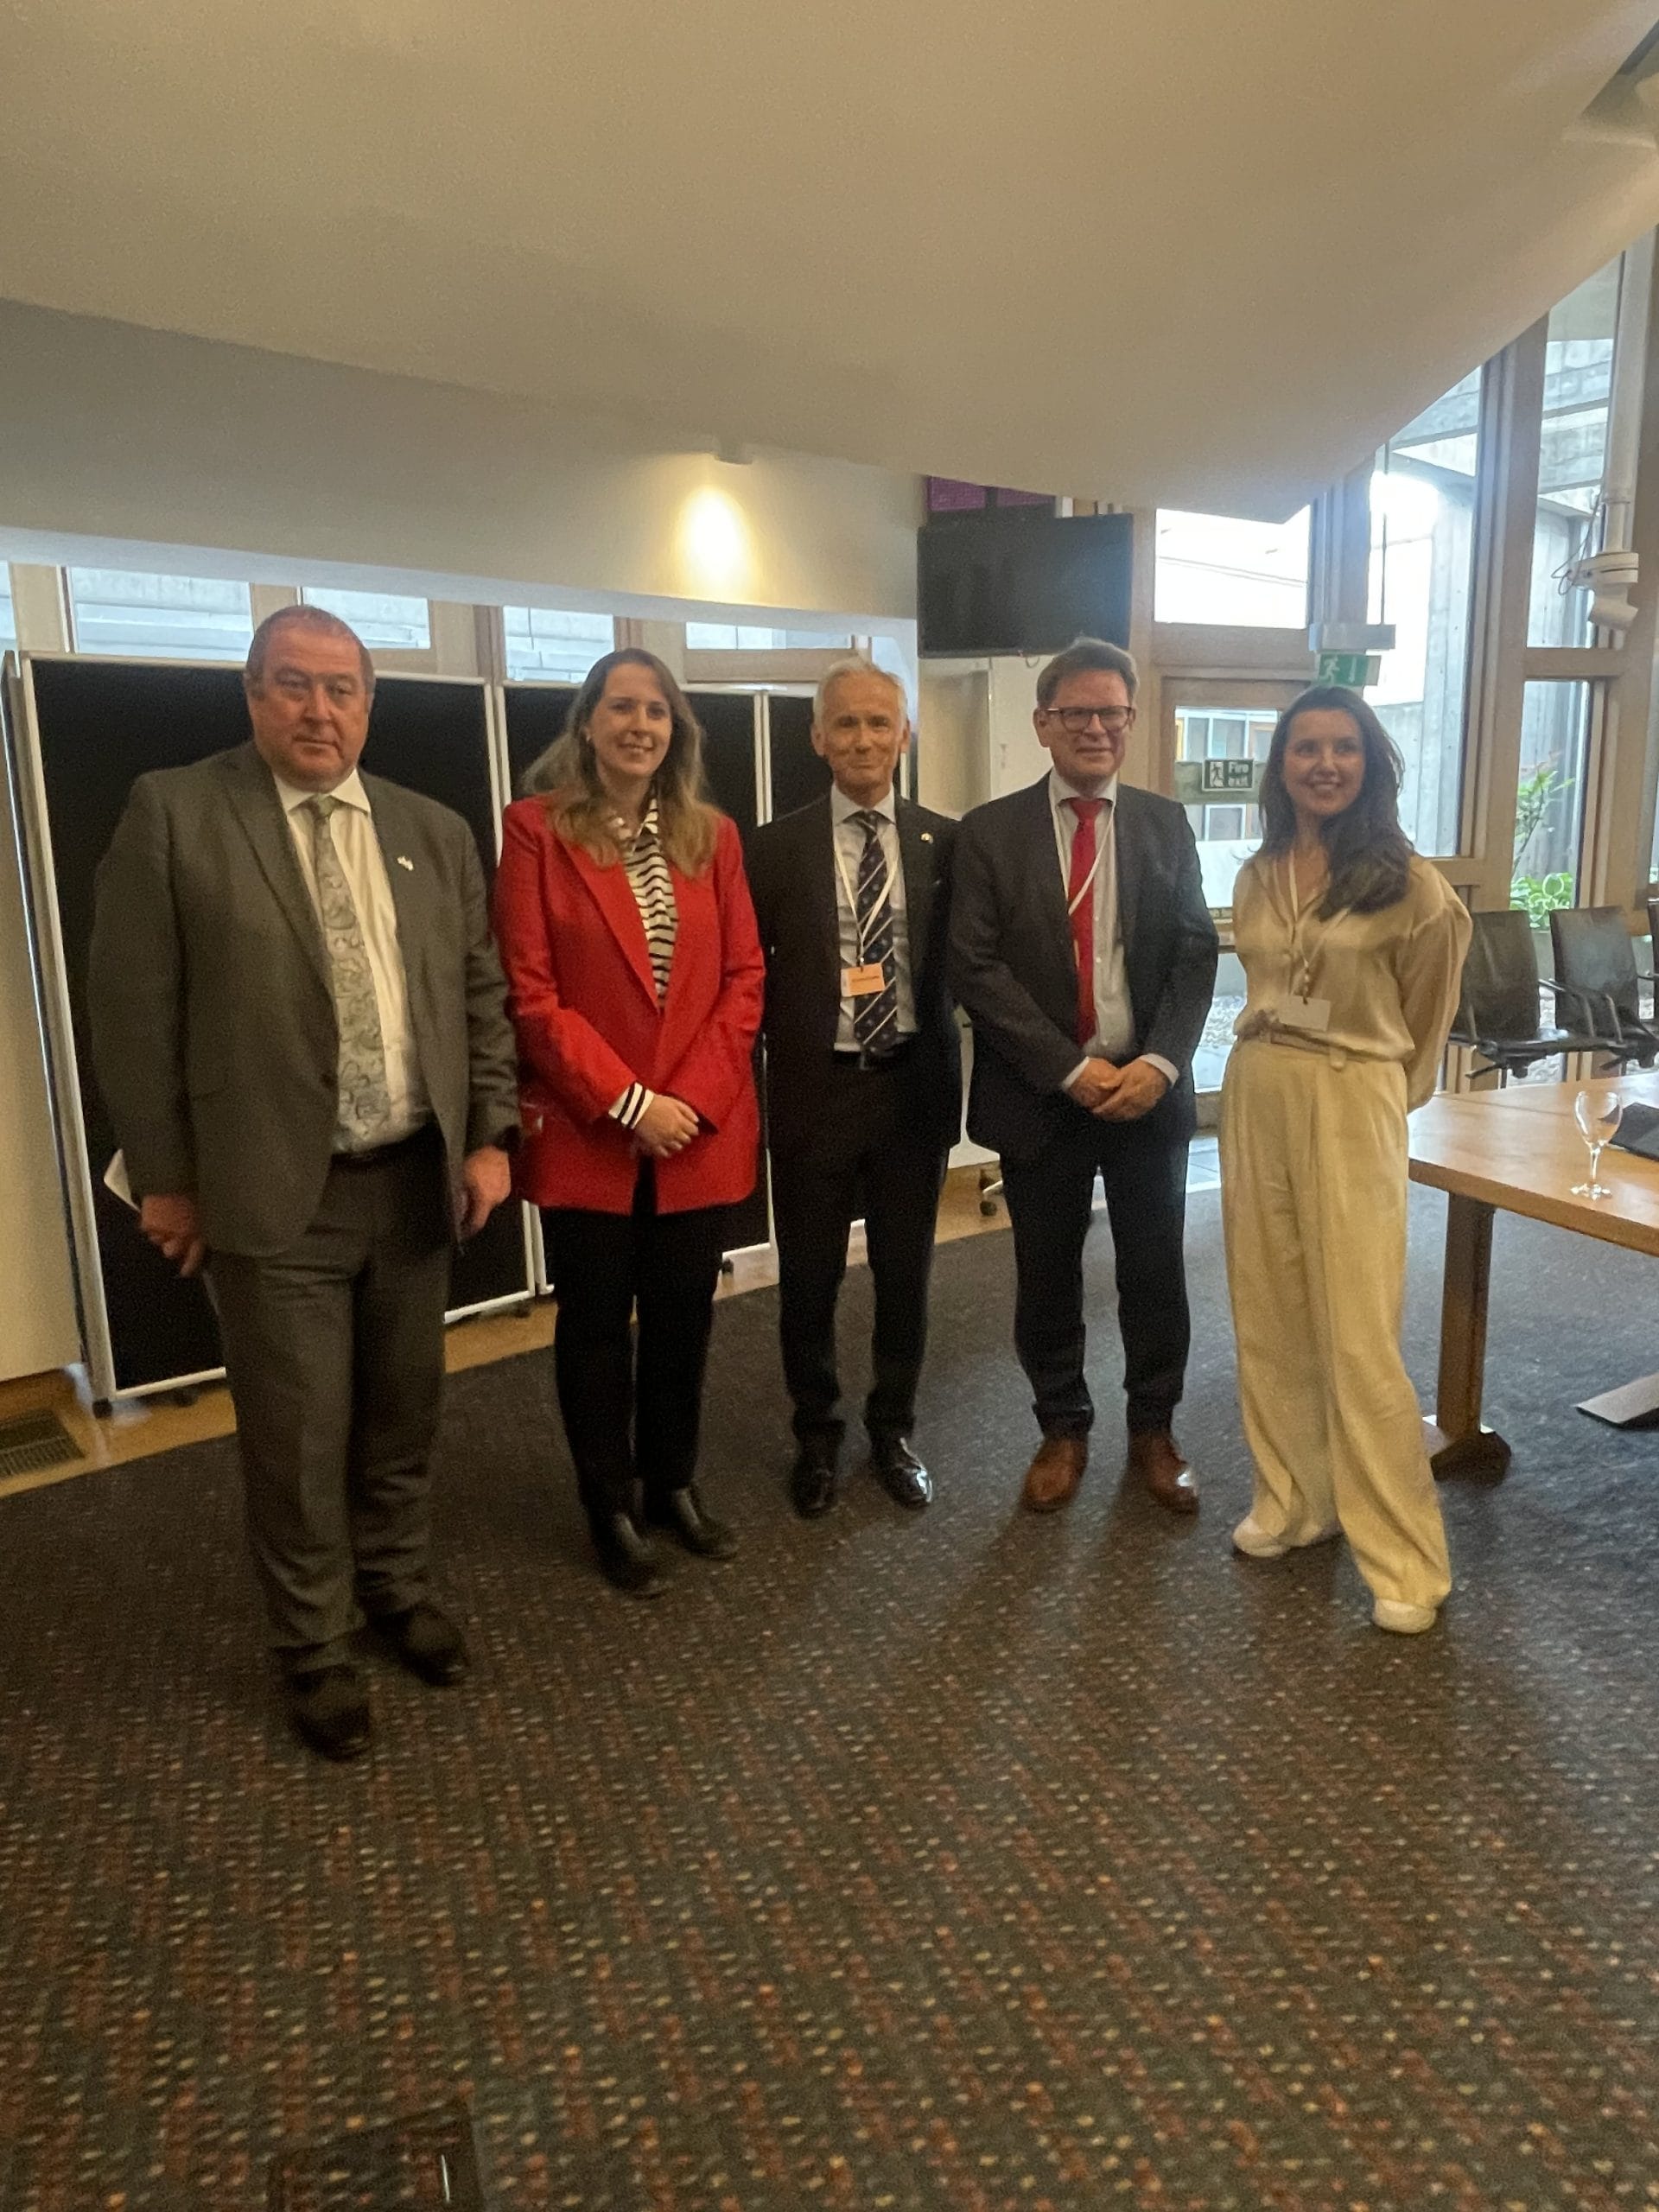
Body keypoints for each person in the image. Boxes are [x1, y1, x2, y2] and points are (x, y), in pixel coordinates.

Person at [88, 607, 520, 1761]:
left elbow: (478, 997)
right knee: (296, 1435)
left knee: (403, 1413)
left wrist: (490, 1137)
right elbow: (131, 1016)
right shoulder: (175, 813)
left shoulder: (430, 830)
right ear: (253, 695)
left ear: (369, 706)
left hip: (414, 1182)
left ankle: (395, 1587)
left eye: (340, 689)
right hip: (272, 1191)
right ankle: (315, 1647)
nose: (318, 710)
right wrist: (166, 1182)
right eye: (293, 684)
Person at [492, 648, 764, 1599]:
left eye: (656, 710)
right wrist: (630, 1102)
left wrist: (687, 1102)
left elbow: (744, 979)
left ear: (675, 730)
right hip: (591, 1132)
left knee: (685, 1321)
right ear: (587, 723)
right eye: (621, 707)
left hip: (696, 1133)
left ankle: (671, 1484)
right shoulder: (535, 830)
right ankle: (607, 1502)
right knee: (597, 1328)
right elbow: (530, 994)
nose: (639, 724)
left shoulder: (712, 836)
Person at [1219, 685, 1471, 1634]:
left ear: (1372, 765)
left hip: (1353, 1091)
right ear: (1281, 766)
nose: (1324, 764)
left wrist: (1374, 1102)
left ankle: (1406, 1560)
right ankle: (1295, 1500)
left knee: (1359, 1332)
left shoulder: (1413, 885)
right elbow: (1265, 982)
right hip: (1260, 1086)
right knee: (1269, 1308)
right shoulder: (1258, 873)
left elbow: (1426, 1022)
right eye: (1306, 748)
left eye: (1344, 748)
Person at [950, 637, 1217, 1516]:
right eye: (1077, 712)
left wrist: (1161, 1063)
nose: (1096, 727)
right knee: (1047, 1273)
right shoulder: (990, 832)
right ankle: (1062, 1428)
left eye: (1112, 712)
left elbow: (1194, 954)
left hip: (1145, 1094)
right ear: (1043, 723)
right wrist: (1068, 1069)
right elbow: (973, 964)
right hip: (1043, 1095)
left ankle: (1155, 1429)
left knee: (1155, 1271)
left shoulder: (1165, 824)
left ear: (1130, 722)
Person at [746, 658, 960, 1517]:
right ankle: (818, 1433)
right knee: (809, 1281)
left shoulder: (948, 843)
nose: (863, 739)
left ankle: (894, 1428)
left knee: (906, 1277)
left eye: (879, 722)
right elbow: (743, 974)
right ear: (817, 737)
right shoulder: (771, 847)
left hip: (911, 1090)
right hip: (816, 1092)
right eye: (846, 723)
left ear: (905, 735)